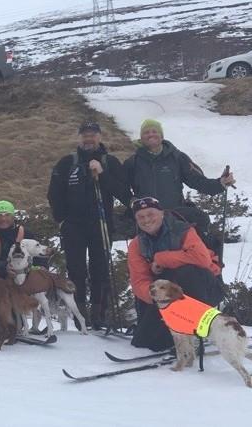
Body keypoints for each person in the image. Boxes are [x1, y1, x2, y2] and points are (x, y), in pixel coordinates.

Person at [47, 122, 130, 329]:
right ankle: (79, 314)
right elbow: (54, 192)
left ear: (99, 137)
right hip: (74, 225)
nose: (88, 139)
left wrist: (101, 174)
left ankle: (99, 313)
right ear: (79, 138)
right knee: (76, 269)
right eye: (85, 135)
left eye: (92, 135)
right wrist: (61, 218)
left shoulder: (110, 162)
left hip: (101, 223)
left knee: (100, 268)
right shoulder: (67, 163)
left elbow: (122, 193)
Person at [123, 119, 236, 256]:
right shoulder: (132, 162)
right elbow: (122, 188)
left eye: (154, 131)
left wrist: (220, 183)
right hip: (146, 222)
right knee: (150, 262)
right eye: (146, 132)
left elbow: (198, 181)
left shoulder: (177, 158)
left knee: (177, 261)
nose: (150, 134)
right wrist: (131, 202)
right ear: (141, 137)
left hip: (174, 219)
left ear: (162, 136)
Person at [127, 197, 223, 351]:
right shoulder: (137, 244)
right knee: (145, 342)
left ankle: (195, 333)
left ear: (161, 213)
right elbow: (139, 280)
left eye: (150, 214)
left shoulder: (184, 231)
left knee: (188, 272)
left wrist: (160, 258)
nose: (146, 220)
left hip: (204, 289)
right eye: (141, 217)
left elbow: (202, 259)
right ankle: (178, 336)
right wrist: (153, 295)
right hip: (166, 296)